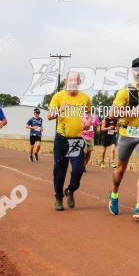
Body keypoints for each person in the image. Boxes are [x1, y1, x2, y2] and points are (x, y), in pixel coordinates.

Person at [108, 57, 139, 220]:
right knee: (120, 168)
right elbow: (112, 114)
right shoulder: (125, 91)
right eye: (137, 69)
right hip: (126, 133)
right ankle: (114, 194)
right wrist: (130, 113)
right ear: (133, 72)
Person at [48, 70, 92, 211]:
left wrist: (88, 122)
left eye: (76, 80)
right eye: (70, 80)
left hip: (77, 140)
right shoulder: (58, 96)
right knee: (59, 171)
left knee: (79, 169)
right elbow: (49, 116)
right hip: (61, 139)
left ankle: (70, 191)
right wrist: (60, 110)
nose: (73, 82)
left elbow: (89, 115)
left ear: (79, 82)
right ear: (66, 82)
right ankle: (59, 197)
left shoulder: (85, 98)